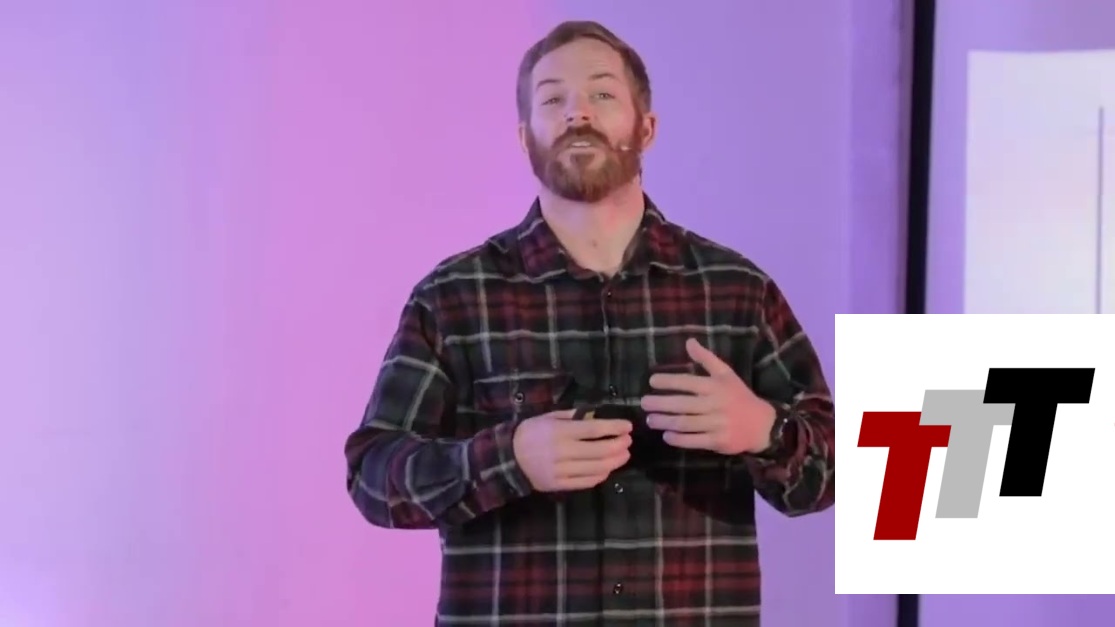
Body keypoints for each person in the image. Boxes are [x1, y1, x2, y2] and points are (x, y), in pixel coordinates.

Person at [344, 20, 834, 627]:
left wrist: (765, 428)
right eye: (553, 99)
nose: (578, 113)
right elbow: (373, 478)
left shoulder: (736, 291)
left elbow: (835, 474)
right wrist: (510, 459)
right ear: (525, 138)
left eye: (602, 93)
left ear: (646, 128)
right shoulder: (454, 298)